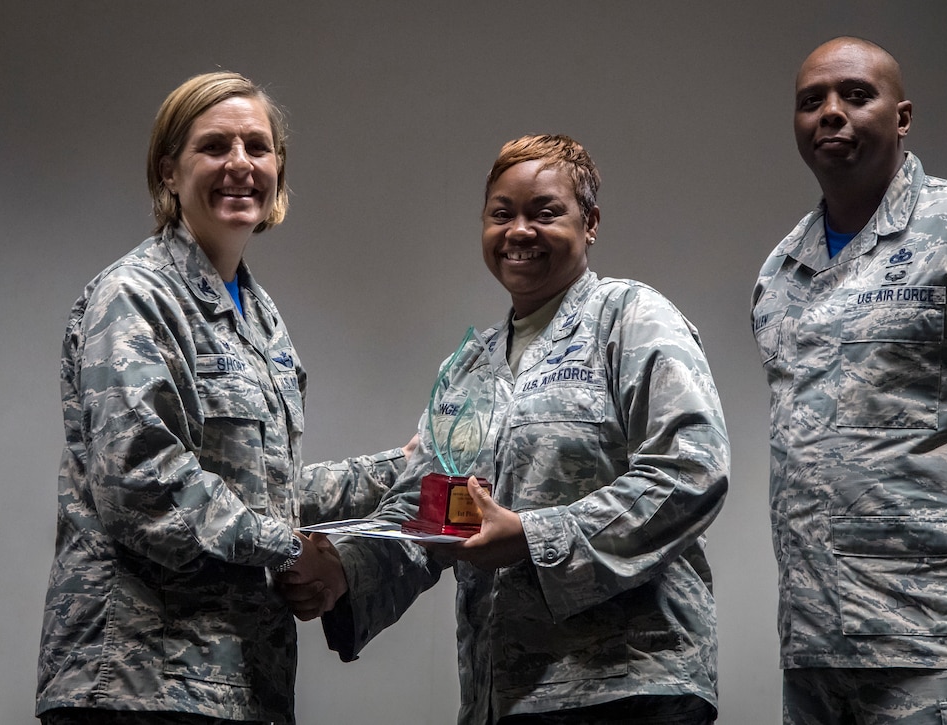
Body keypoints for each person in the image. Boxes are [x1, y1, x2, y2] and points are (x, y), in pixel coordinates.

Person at [283, 134, 730, 723]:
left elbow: (691, 469)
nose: (520, 231)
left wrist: (533, 536)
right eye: (502, 214)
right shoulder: (469, 368)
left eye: (545, 212)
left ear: (590, 222)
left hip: (629, 686)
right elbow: (435, 511)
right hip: (507, 695)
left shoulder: (631, 319)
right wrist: (344, 568)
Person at [36, 71, 411, 725]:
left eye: (257, 147)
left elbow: (269, 492)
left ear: (278, 174)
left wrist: (403, 465)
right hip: (142, 685)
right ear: (169, 173)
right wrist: (292, 548)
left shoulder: (261, 320)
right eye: (214, 146)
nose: (240, 164)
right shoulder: (137, 296)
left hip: (239, 687)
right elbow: (143, 482)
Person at [751, 36, 947, 724]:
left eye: (856, 95)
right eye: (811, 102)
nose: (831, 112)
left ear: (902, 116)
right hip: (818, 654)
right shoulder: (779, 273)